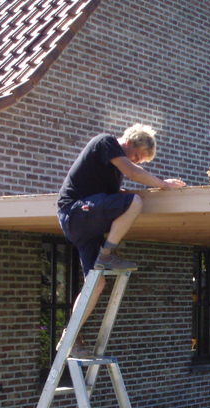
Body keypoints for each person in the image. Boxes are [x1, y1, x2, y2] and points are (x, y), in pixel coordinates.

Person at [57, 124, 186, 357]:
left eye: (140, 161)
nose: (136, 162)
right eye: (136, 156)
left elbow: (120, 191)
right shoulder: (106, 142)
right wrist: (164, 184)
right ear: (129, 141)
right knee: (135, 202)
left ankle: (70, 336)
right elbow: (133, 173)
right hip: (75, 212)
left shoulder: (113, 172)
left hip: (88, 226)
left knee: (97, 284)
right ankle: (107, 255)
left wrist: (151, 190)